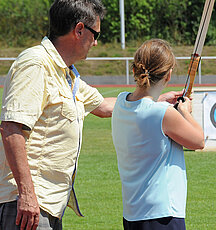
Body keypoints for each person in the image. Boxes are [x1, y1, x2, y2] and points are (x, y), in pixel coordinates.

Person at [0, 1, 181, 230]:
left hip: (48, 203)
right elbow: (12, 129)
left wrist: (158, 99)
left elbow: (104, 107)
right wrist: (26, 194)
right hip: (26, 203)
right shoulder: (36, 64)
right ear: (79, 30)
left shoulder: (67, 74)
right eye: (95, 34)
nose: (96, 43)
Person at [112, 39, 204, 230]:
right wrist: (185, 111)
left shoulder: (121, 103)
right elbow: (198, 140)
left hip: (132, 214)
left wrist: (162, 100)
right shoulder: (161, 113)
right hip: (163, 215)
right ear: (168, 74)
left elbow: (142, 108)